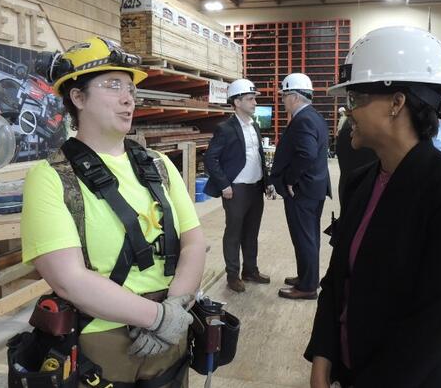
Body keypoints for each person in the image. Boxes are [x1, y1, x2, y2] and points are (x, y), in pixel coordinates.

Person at [305, 26, 441, 388]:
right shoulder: (362, 182)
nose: (348, 110)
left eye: (356, 98)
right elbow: (338, 280)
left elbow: (432, 322)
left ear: (396, 103)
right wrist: (322, 354)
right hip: (351, 369)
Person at [21, 37, 206, 387]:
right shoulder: (50, 178)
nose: (128, 98)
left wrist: (177, 308)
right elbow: (68, 278)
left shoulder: (159, 165)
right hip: (101, 339)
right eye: (112, 85)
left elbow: (194, 242)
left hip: (173, 328)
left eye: (130, 89)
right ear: (78, 97)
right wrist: (157, 317)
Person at [203, 78, 272, 293]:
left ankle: (250, 270)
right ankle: (232, 275)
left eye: (254, 99)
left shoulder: (255, 126)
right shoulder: (225, 128)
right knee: (234, 232)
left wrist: (267, 182)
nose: (254, 103)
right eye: (250, 99)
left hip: (255, 187)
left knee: (251, 232)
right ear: (237, 101)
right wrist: (224, 185)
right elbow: (210, 159)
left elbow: (259, 157)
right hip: (236, 190)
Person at [270, 73, 331, 300]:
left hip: (302, 190)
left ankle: (306, 287)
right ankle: (307, 277)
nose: (282, 100)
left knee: (304, 237)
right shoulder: (314, 116)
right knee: (309, 236)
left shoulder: (303, 119)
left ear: (294, 96)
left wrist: (289, 179)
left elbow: (306, 153)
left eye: (284, 96)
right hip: (314, 188)